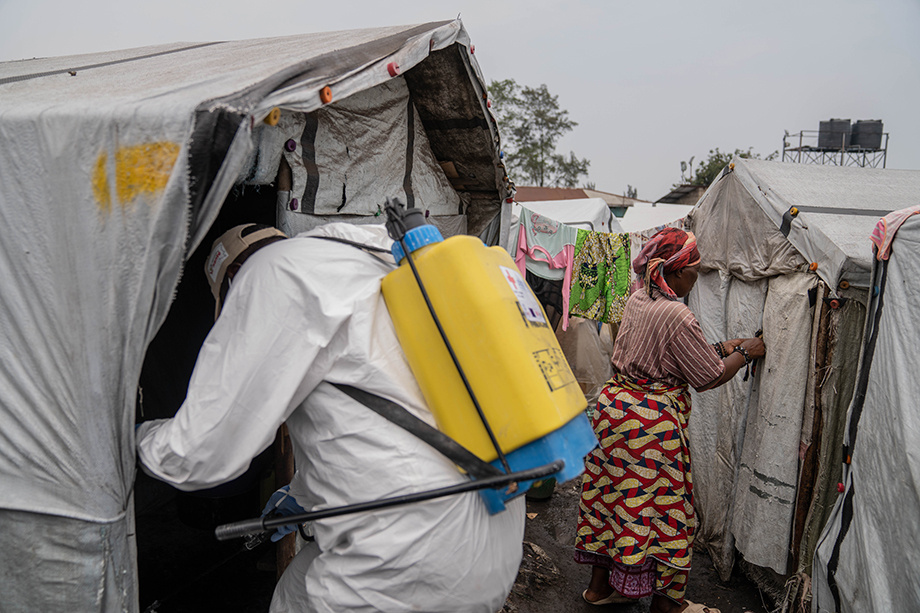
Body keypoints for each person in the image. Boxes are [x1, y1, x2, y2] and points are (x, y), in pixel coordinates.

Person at [136, 222, 525, 612]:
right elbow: (379, 422)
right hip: (496, 528)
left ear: (234, 277)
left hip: (410, 548)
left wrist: (132, 439)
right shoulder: (377, 266)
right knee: (293, 596)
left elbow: (202, 451)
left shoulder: (272, 273)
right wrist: (299, 496)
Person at [573, 227, 765, 613]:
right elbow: (708, 376)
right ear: (677, 273)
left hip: (613, 414)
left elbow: (660, 354)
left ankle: (599, 588)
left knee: (612, 500)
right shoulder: (678, 313)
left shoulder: (639, 299)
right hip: (649, 426)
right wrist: (747, 353)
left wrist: (717, 348)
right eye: (695, 267)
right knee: (664, 510)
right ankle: (668, 604)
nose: (699, 272)